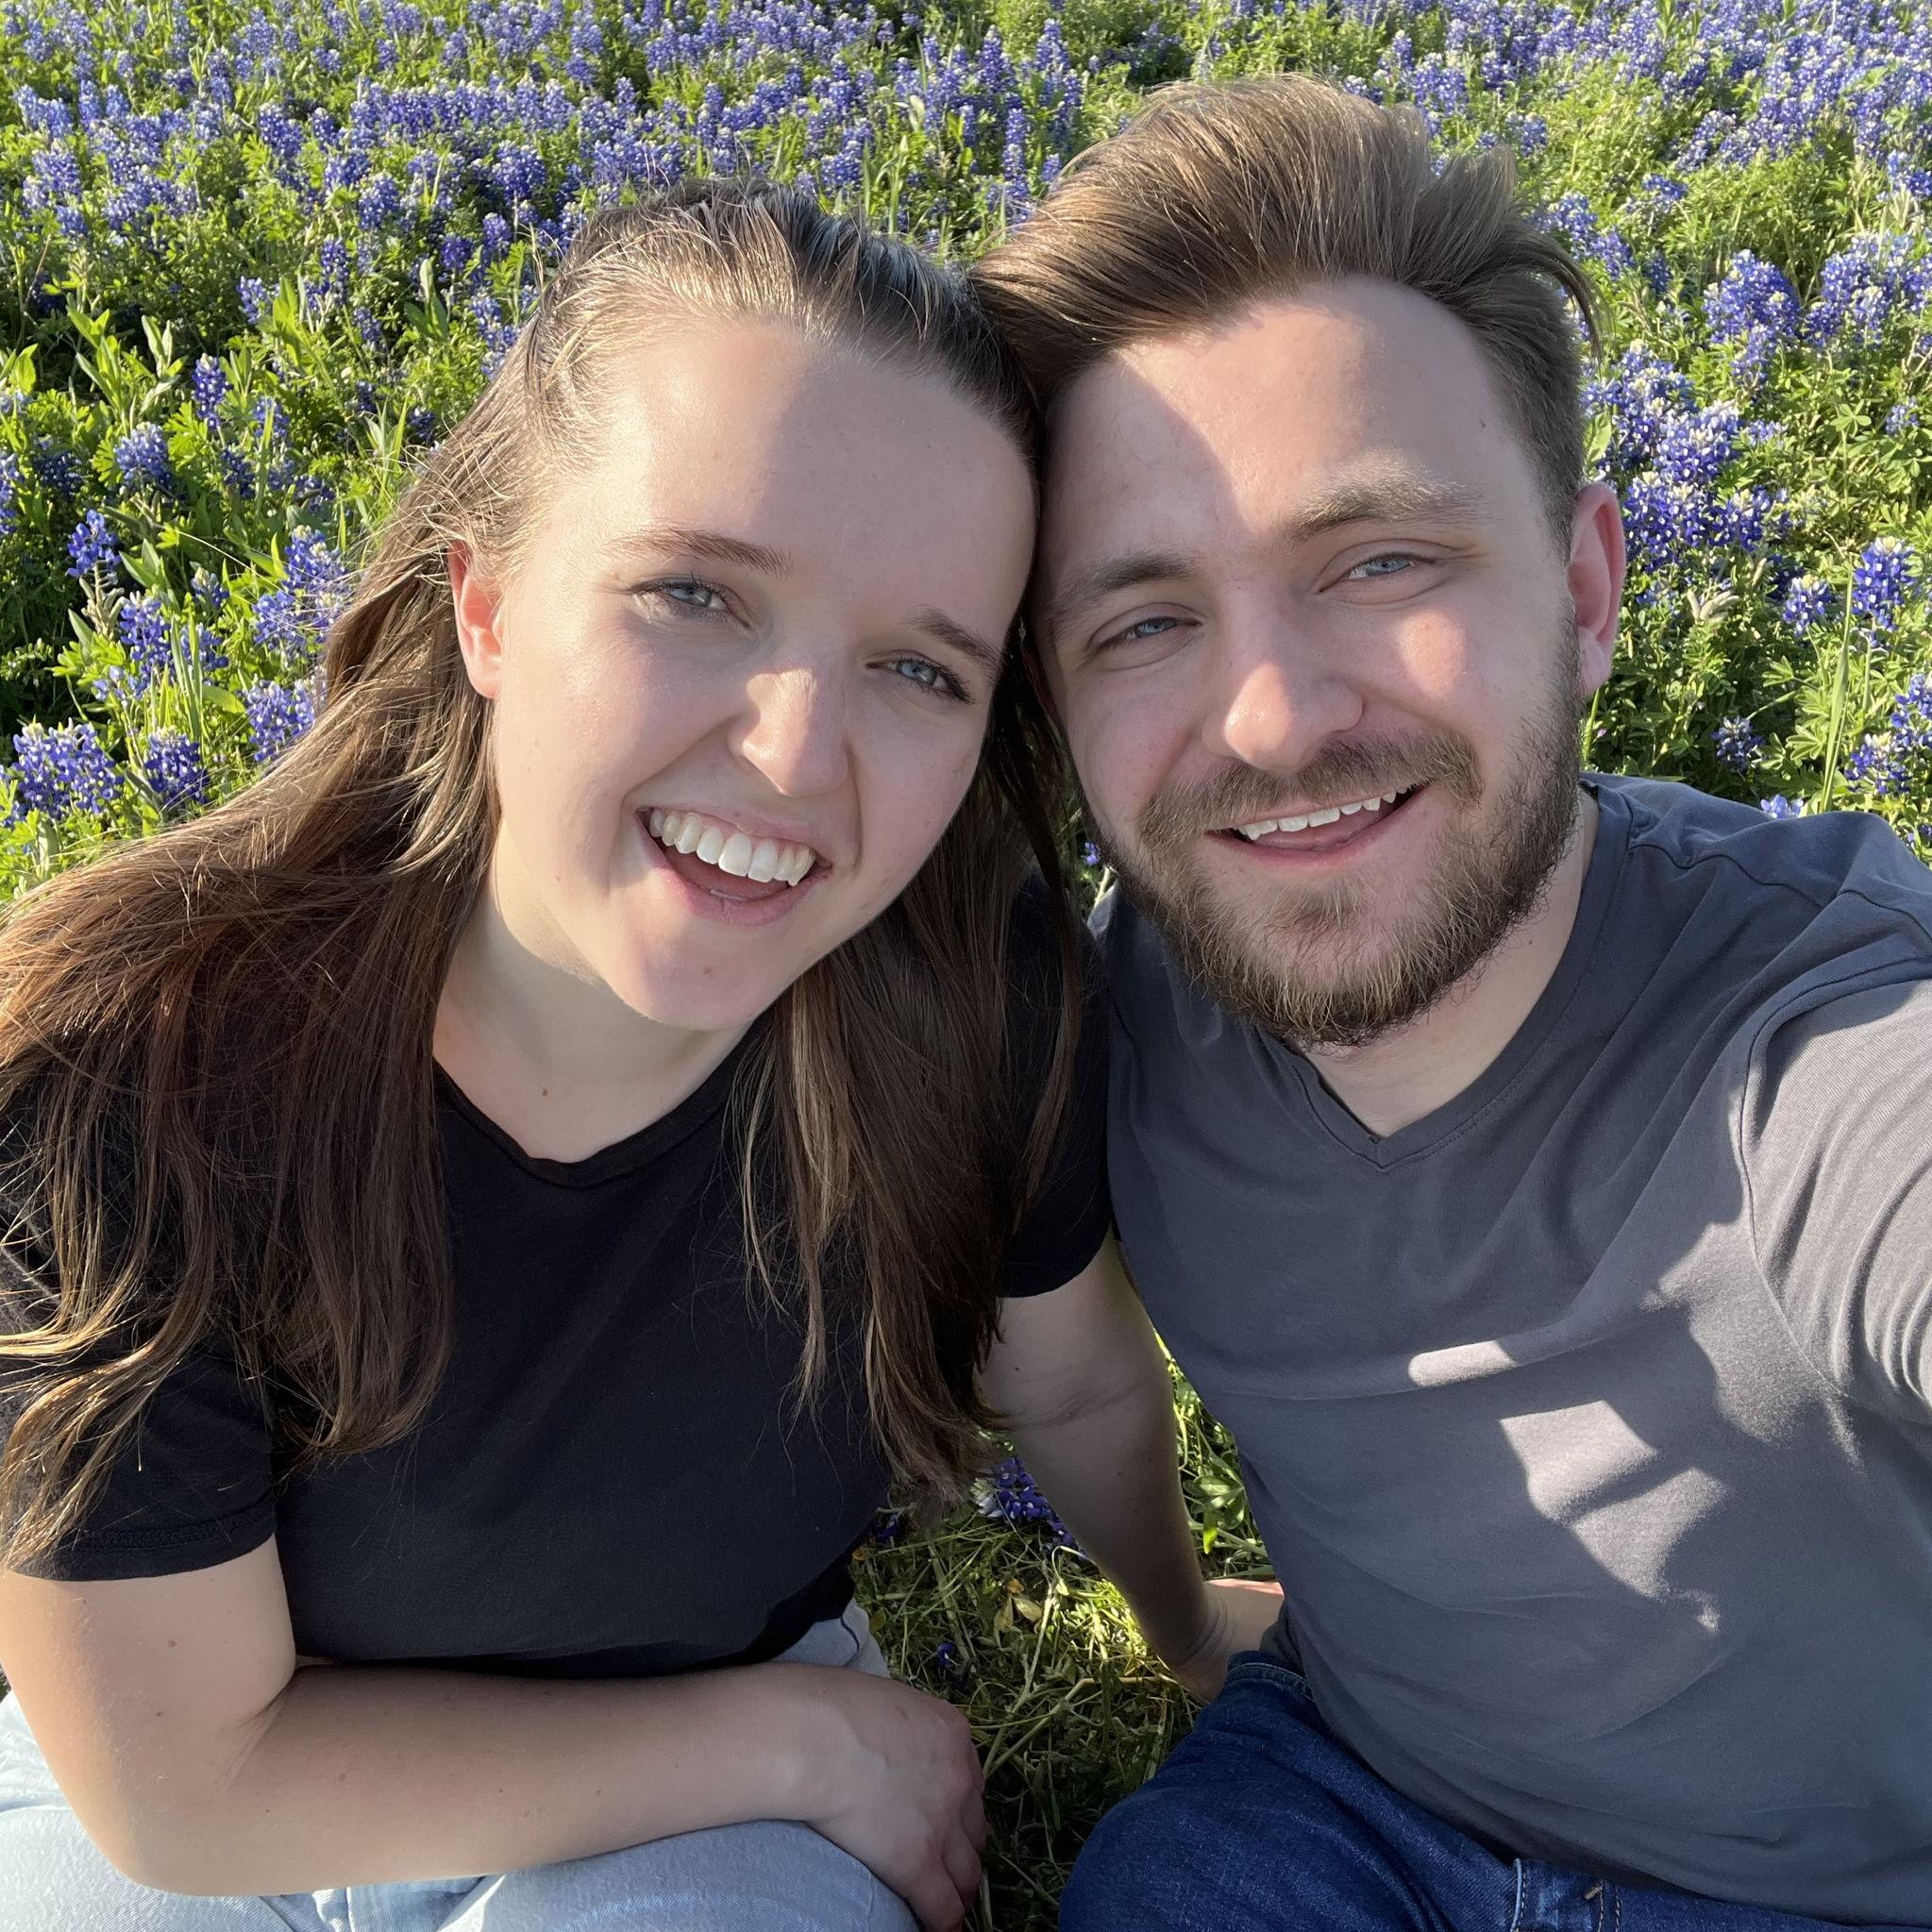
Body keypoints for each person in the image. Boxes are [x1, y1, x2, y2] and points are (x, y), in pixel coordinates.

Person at [0, 180, 1232, 1932]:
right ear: (487, 609)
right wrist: (805, 1750)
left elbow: (1083, 1382)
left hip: (693, 1823)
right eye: (694, 597)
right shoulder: (133, 1081)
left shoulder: (971, 992)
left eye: (919, 667)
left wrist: (1189, 1632)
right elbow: (182, 1792)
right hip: (201, 1809)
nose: (797, 755)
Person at [972, 76, 1932, 1932]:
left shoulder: (1823, 1047)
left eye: (1379, 561)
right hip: (1340, 1793)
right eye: (1144, 619)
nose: (1270, 720)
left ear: (1583, 588)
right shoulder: (1108, 1022)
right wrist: (1178, 1620)